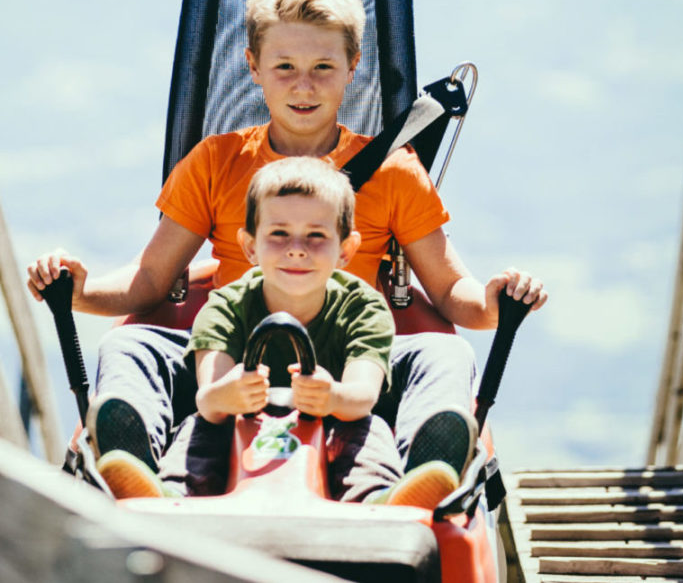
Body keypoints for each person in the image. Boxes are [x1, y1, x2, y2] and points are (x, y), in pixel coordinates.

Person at [26, 0, 547, 498]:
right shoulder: (215, 162)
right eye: (285, 67)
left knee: (449, 355)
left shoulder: (395, 172)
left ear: (352, 67)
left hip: (354, 358)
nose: (304, 85)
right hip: (229, 352)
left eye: (323, 67)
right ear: (253, 67)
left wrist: (494, 303)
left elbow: (450, 290)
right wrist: (80, 290)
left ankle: (424, 475)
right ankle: (134, 466)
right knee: (127, 344)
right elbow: (150, 280)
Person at [95, 156, 459, 506]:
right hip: (235, 424)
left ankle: (396, 492)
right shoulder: (226, 306)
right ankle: (157, 487)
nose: (296, 250)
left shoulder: (363, 307)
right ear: (250, 246)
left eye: (316, 236)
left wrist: (334, 397)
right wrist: (229, 394)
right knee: (198, 427)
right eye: (279, 234)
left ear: (346, 249)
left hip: (337, 421)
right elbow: (209, 399)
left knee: (368, 430)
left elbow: (362, 395)